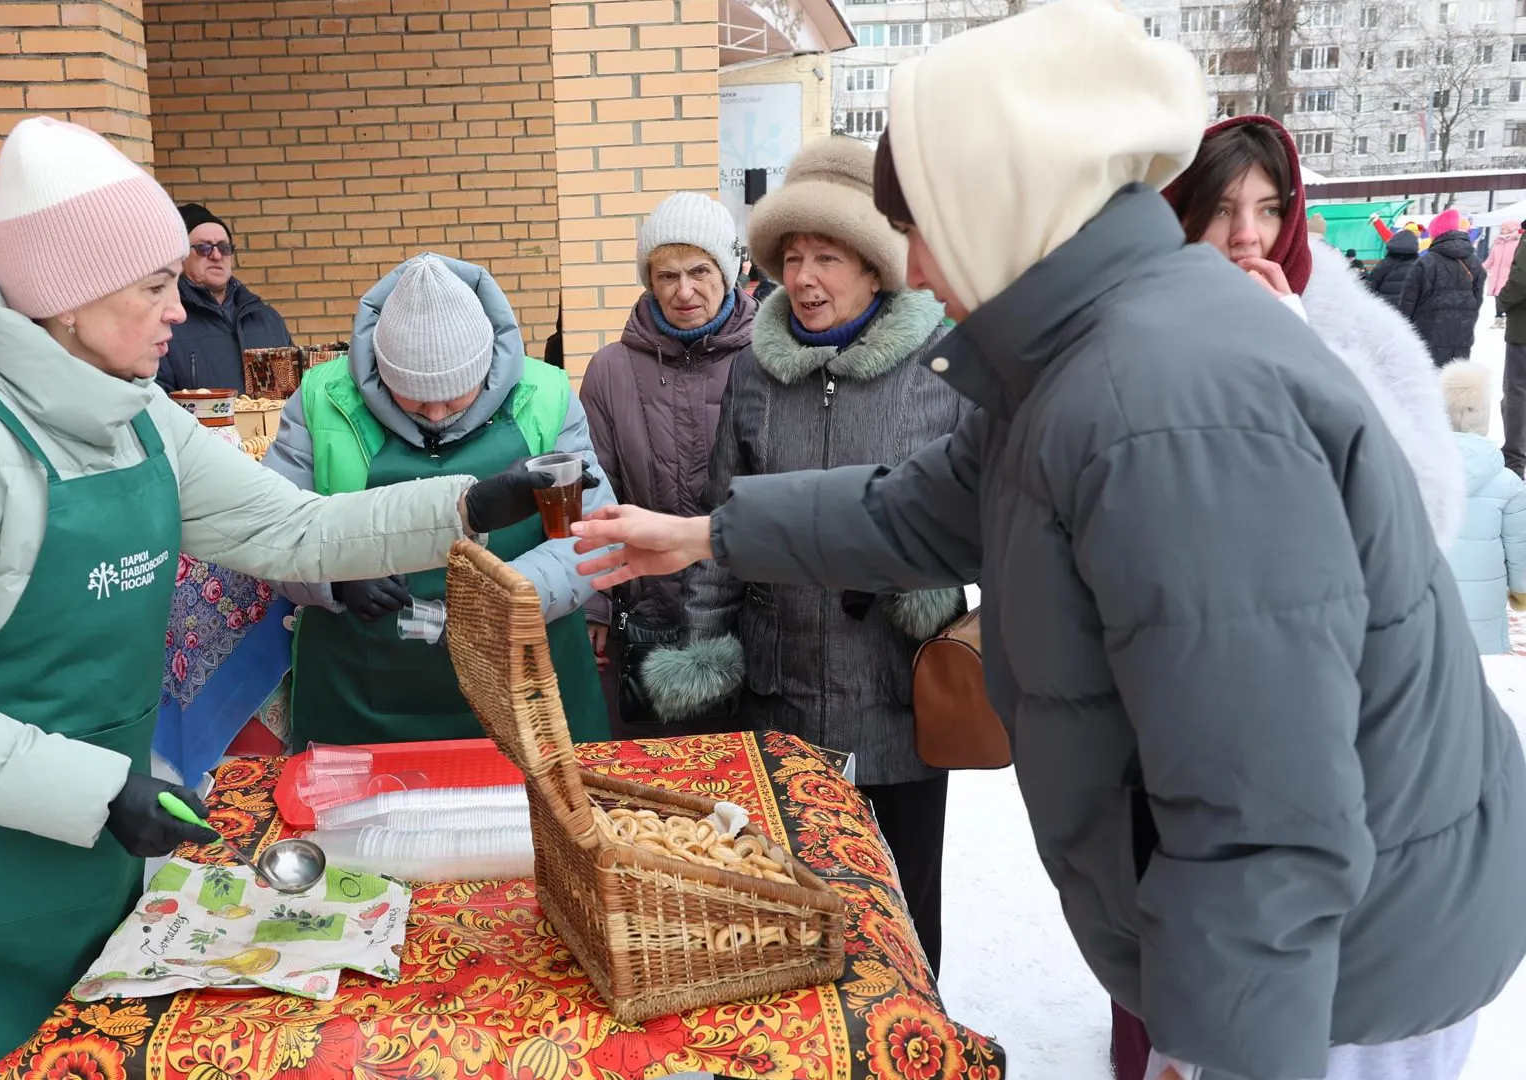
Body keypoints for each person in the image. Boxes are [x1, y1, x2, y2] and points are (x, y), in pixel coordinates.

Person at [570, 5, 1526, 1080]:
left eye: (923, 225)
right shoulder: (1082, 357)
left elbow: (1264, 807)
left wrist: (1225, 1050)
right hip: (1300, 951)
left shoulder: (1162, 407)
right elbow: (912, 508)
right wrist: (704, 532)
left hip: (1340, 973)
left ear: (1002, 205)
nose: (919, 270)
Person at [0, 118, 559, 1080]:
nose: (179, 312)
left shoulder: (138, 415)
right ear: (67, 302)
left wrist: (475, 502)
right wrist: (99, 791)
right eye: (154, 287)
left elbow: (293, 531)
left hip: (62, 840)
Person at [643, 140, 968, 969]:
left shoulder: (943, 369)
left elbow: (982, 516)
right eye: (792, 257)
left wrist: (927, 584)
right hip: (780, 690)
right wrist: (707, 652)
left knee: (900, 915)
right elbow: (722, 522)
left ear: (875, 268)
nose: (807, 277)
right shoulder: (757, 372)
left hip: (896, 694)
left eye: (828, 256)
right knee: (788, 914)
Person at [261, 253, 613, 747]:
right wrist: (335, 577)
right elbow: (272, 527)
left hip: (524, 682)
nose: (435, 412)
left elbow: (588, 537)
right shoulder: (323, 398)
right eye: (412, 395)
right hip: (364, 693)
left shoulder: (546, 395)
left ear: (488, 363)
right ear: (379, 370)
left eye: (455, 395)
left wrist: (503, 597)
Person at [1163, 117, 1462, 544]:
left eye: (1269, 210)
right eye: (1220, 209)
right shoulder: (1143, 339)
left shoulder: (1367, 335)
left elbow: (1429, 516)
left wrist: (1301, 353)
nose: (1246, 236)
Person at [579, 191, 757, 737]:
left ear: (729, 271)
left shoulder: (768, 359)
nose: (684, 291)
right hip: (645, 623)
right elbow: (593, 493)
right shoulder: (610, 371)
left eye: (700, 271)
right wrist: (595, 607)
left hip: (752, 621)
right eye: (666, 275)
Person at [153, 202, 293, 393]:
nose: (217, 255)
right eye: (204, 248)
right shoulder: (165, 323)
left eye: (224, 247)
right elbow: (156, 401)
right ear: (180, 257)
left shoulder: (267, 319)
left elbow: (294, 393)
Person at [1441, 361, 1526, 655]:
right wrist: (1521, 590)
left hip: (1430, 601)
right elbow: (1519, 547)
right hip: (1484, 609)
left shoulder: (1417, 473)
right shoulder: (1508, 483)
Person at [1401, 208, 1486, 366]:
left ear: (1436, 235)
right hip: (1462, 331)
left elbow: (1408, 303)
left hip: (1427, 331)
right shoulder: (1474, 262)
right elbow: (1477, 299)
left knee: (1429, 376)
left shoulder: (1425, 263)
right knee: (1454, 377)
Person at [1496, 233, 1526, 476]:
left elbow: (1520, 281)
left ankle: (1514, 461)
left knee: (1517, 394)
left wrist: (1502, 301)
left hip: (1523, 333)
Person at [1368, 227, 1422, 304]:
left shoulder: (1385, 264)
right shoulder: (1420, 265)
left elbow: (1371, 287)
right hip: (1411, 309)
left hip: (1387, 309)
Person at [1486, 221, 1521, 327]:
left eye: (1504, 228)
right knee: (1498, 297)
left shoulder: (1517, 243)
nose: (1502, 230)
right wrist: (1480, 268)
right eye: (1501, 228)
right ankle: (1499, 318)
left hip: (1509, 275)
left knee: (1507, 297)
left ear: (1511, 229)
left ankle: (1507, 318)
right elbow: (1491, 259)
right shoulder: (1498, 243)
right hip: (1496, 275)